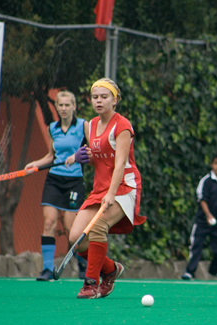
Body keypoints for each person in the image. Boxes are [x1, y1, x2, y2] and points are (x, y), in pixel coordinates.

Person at [68, 78, 146, 299]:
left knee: (98, 226)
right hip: (100, 187)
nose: (99, 101)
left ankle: (90, 284)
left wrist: (112, 193)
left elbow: (120, 162)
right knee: (76, 237)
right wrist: (84, 158)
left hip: (123, 186)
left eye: (104, 97)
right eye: (95, 97)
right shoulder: (91, 125)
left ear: (115, 100)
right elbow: (100, 158)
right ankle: (111, 270)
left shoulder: (123, 126)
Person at [25, 90, 88, 281]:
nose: (63, 108)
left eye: (67, 105)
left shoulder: (83, 126)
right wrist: (36, 163)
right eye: (60, 105)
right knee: (49, 222)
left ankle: (84, 266)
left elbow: (93, 147)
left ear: (74, 107)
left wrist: (77, 156)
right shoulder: (53, 128)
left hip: (74, 181)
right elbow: (51, 156)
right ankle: (47, 270)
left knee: (72, 230)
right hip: (54, 180)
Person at [181, 154, 217, 281]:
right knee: (196, 246)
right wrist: (208, 215)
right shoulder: (206, 181)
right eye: (216, 163)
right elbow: (202, 199)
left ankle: (215, 270)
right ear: (212, 165)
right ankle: (189, 272)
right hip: (203, 221)